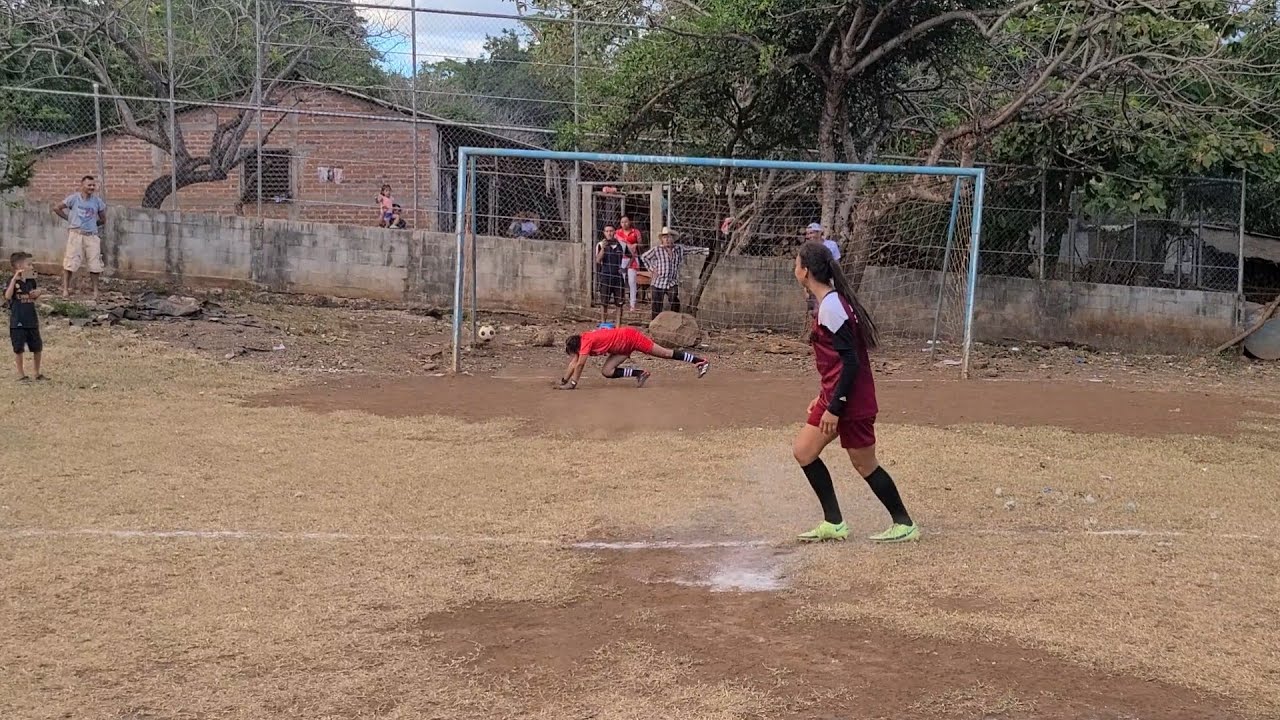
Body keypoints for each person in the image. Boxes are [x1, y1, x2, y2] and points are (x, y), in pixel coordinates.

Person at [791, 242, 918, 544]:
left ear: (805, 271)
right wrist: (824, 395)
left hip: (851, 400)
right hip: (836, 395)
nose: (794, 269)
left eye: (796, 264)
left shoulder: (832, 307)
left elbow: (852, 362)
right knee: (804, 452)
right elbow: (837, 361)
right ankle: (834, 523)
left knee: (864, 464)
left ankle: (904, 523)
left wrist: (835, 407)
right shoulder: (829, 303)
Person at [557, 326, 709, 389]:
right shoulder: (583, 341)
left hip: (630, 337)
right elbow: (574, 363)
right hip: (620, 347)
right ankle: (640, 373)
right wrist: (563, 381)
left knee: (665, 353)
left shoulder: (586, 341)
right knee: (607, 371)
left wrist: (573, 383)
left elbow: (580, 365)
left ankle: (700, 361)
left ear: (576, 347)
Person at [52, 175, 107, 299]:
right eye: (89, 185)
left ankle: (96, 292)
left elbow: (103, 219)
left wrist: (92, 225)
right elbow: (56, 208)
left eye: (93, 185)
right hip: (76, 234)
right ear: (82, 186)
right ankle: (65, 290)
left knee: (95, 264)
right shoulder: (73, 198)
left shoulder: (97, 201)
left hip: (91, 236)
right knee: (70, 262)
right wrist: (69, 219)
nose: (92, 187)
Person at [640, 226, 707, 319]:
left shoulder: (679, 249)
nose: (667, 239)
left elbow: (692, 249)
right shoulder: (657, 250)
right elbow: (644, 257)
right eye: (665, 237)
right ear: (662, 240)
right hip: (658, 281)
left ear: (673, 239)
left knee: (674, 300)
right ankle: (655, 322)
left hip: (672, 281)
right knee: (656, 304)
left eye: (669, 237)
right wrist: (651, 269)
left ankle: (674, 319)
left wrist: (706, 250)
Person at [5, 252, 45, 382]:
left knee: (37, 347)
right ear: (19, 266)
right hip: (18, 321)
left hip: (31, 320)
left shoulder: (31, 281)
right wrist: (14, 280)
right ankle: (21, 375)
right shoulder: (11, 281)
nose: (32, 266)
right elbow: (7, 296)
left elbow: (34, 295)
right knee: (19, 349)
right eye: (29, 264)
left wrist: (38, 293)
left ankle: (37, 373)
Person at [804, 223, 841, 318]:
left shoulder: (831, 245)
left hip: (828, 278)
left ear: (819, 233)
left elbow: (836, 263)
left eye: (811, 233)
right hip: (814, 279)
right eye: (807, 234)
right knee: (814, 308)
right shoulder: (808, 247)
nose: (808, 236)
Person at [595, 225, 628, 326]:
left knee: (619, 303)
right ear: (604, 233)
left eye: (611, 231)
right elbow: (598, 260)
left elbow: (631, 256)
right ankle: (603, 324)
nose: (609, 233)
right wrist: (604, 248)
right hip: (605, 276)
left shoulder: (622, 245)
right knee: (604, 302)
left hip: (618, 278)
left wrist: (624, 268)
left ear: (615, 232)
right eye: (607, 231)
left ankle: (618, 326)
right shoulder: (600, 244)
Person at [615, 216, 642, 312]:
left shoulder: (636, 232)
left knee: (632, 281)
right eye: (622, 222)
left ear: (629, 222)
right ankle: (620, 301)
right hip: (621, 259)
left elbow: (641, 244)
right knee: (620, 280)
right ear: (620, 223)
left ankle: (632, 304)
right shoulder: (617, 233)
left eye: (626, 221)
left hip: (633, 258)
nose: (624, 224)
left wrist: (636, 245)